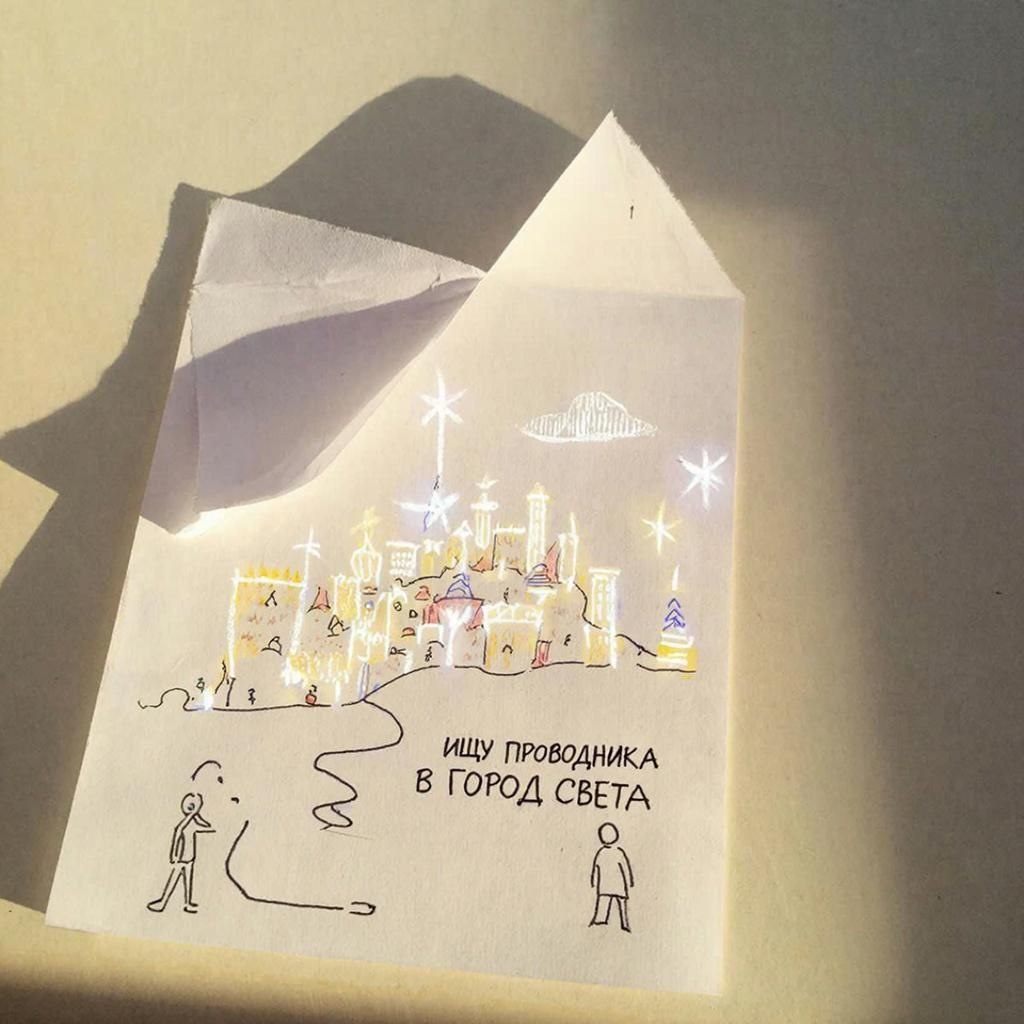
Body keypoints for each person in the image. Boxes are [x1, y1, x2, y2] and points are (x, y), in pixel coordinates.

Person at [146, 792, 215, 914]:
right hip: (181, 858)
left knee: (188, 882)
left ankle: (187, 903)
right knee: (173, 880)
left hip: (190, 858)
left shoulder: (193, 823)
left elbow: (207, 826)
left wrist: (197, 815)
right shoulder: (183, 824)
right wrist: (174, 854)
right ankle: (162, 902)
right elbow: (178, 833)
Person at [589, 821, 634, 932]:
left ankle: (600, 920)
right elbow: (626, 868)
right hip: (618, 884)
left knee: (603, 902)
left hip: (605, 885)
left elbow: (595, 869)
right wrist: (630, 881)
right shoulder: (619, 852)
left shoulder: (601, 852)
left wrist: (593, 881)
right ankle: (624, 923)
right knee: (621, 903)